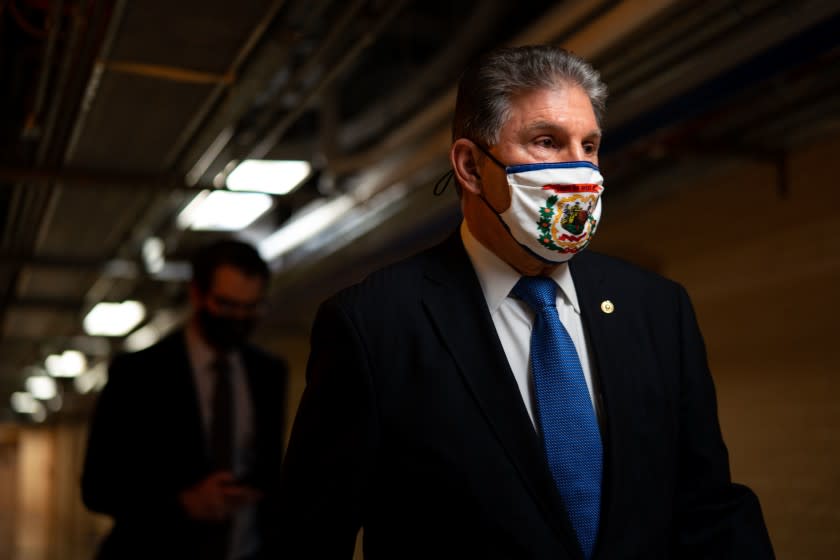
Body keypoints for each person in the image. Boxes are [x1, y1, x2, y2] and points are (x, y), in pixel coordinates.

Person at [275, 45, 775, 559]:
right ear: (471, 166)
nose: (579, 170)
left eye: (590, 144)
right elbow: (309, 537)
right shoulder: (373, 324)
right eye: (547, 142)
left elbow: (709, 507)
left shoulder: (657, 308)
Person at [81, 238, 288, 560]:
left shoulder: (269, 372)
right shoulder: (137, 373)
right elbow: (98, 488)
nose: (238, 318)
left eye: (250, 307)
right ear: (196, 294)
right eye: (226, 305)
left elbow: (269, 473)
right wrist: (183, 503)